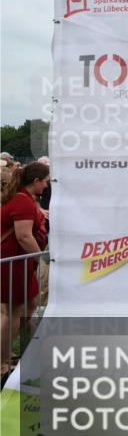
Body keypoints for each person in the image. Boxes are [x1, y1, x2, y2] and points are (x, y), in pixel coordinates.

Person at [1, 161, 49, 376]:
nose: (47, 186)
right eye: (46, 182)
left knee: (29, 307)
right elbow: (23, 235)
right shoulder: (22, 202)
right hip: (15, 264)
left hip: (20, 263)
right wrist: (40, 258)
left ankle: (35, 352)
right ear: (36, 181)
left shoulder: (24, 199)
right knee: (14, 313)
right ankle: (2, 362)